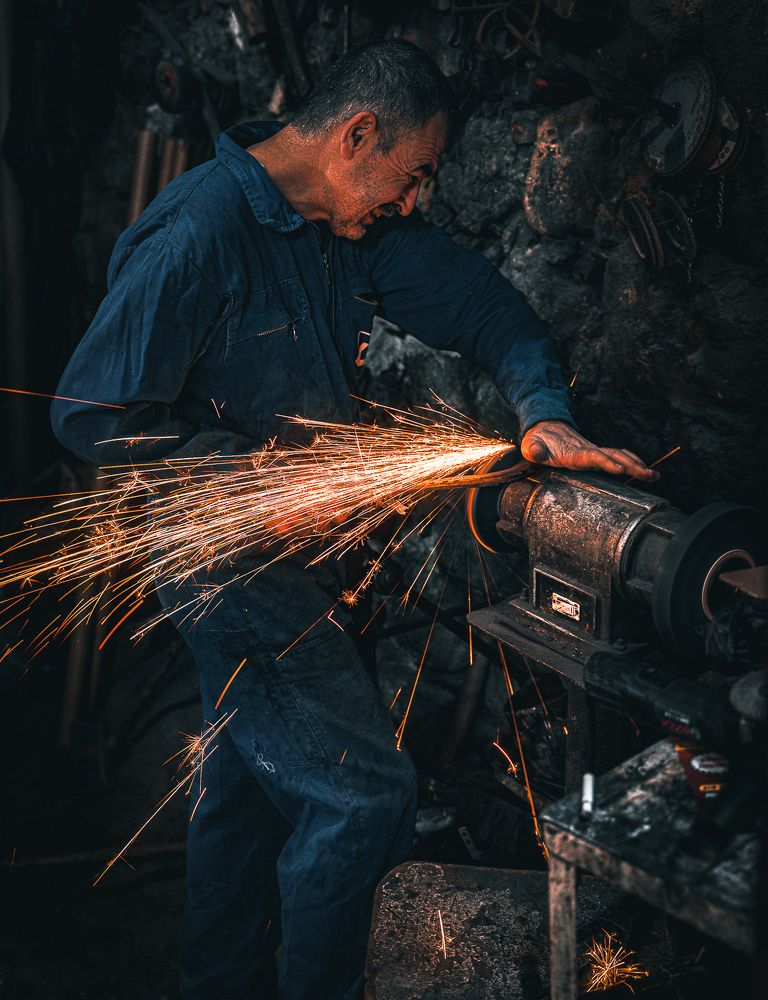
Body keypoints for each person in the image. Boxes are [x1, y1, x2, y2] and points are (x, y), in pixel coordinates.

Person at [51, 39, 657, 1000]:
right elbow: (90, 413)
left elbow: (490, 312)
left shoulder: (352, 229)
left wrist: (543, 411)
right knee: (363, 796)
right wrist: (265, 476)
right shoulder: (197, 235)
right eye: (414, 174)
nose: (413, 201)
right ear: (357, 135)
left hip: (309, 556)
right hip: (224, 563)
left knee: (247, 792)